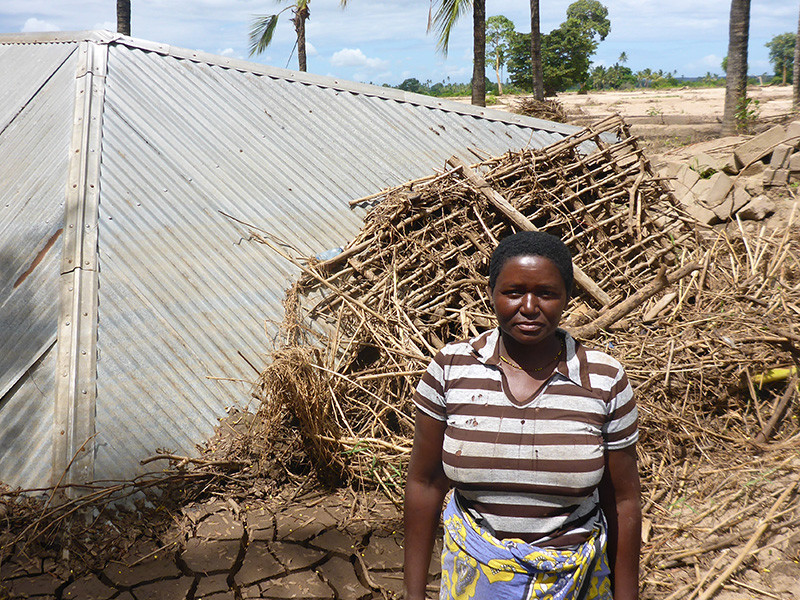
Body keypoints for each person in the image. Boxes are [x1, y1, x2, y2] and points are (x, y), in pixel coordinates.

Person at [403, 231, 641, 600]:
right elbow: (425, 483)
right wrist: (413, 595)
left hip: (574, 581)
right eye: (513, 292)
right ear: (492, 292)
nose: (529, 307)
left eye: (546, 293)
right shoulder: (452, 368)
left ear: (568, 298)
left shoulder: (604, 378)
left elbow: (622, 501)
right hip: (475, 579)